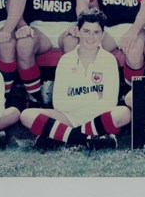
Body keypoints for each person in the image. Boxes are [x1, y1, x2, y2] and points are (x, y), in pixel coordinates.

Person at [20, 9, 130, 150]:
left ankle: (61, 135)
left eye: (96, 32)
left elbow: (109, 103)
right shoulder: (66, 60)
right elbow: (59, 104)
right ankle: (87, 138)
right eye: (86, 31)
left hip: (97, 117)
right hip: (69, 117)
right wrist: (88, 102)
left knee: (124, 113)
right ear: (77, 32)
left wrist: (79, 103)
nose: (91, 37)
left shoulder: (109, 60)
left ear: (102, 35)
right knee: (26, 115)